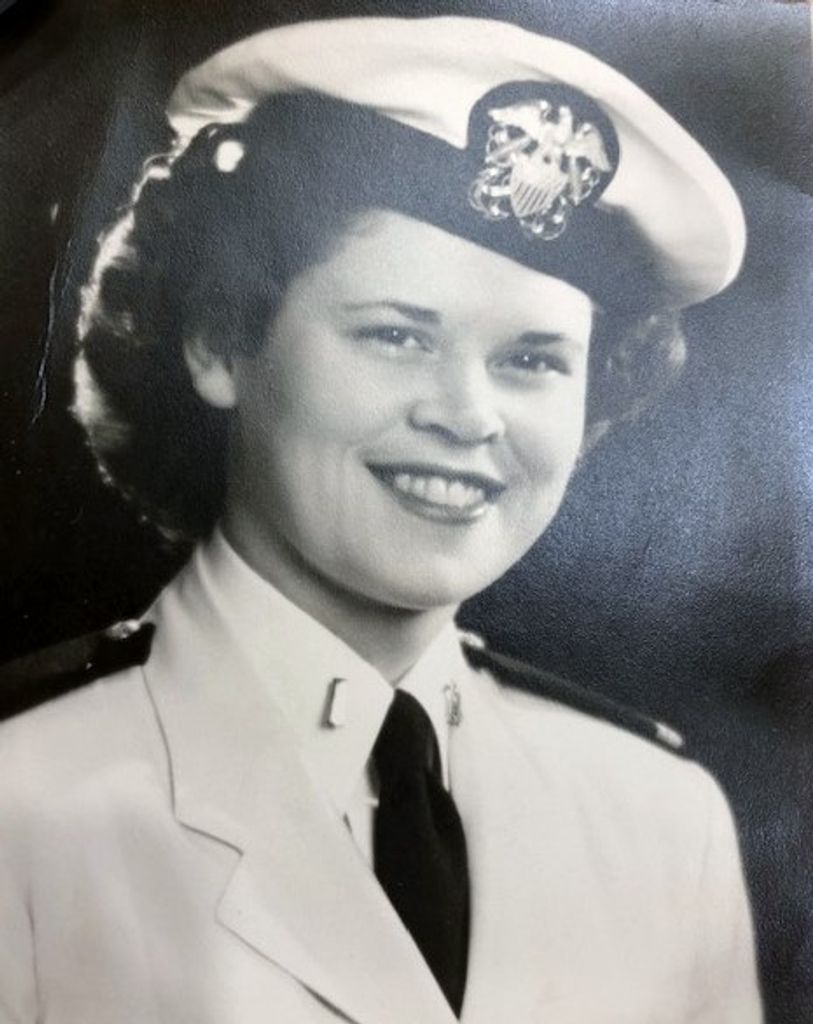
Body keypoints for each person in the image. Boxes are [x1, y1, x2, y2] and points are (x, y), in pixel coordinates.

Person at [0, 15, 762, 1023]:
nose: (468, 416)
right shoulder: (24, 794)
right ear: (221, 341)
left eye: (532, 359)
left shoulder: (661, 821)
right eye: (397, 335)